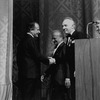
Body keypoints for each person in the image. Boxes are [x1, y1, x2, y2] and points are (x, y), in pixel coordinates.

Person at [17, 22, 55, 100]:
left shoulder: (23, 40)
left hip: (24, 74)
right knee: (28, 96)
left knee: (25, 95)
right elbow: (37, 55)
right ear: (31, 30)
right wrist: (48, 61)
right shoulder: (30, 40)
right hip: (30, 75)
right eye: (37, 29)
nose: (39, 32)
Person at [41, 30, 71, 100]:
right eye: (52, 38)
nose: (53, 40)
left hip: (60, 78)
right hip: (56, 78)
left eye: (55, 38)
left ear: (61, 37)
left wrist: (67, 77)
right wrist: (46, 74)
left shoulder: (64, 47)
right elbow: (54, 64)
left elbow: (66, 62)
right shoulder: (57, 47)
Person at [62, 17, 85, 100]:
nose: (63, 28)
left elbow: (83, 53)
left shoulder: (79, 35)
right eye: (62, 26)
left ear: (73, 26)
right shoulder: (67, 38)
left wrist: (78, 68)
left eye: (65, 25)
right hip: (71, 71)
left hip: (79, 72)